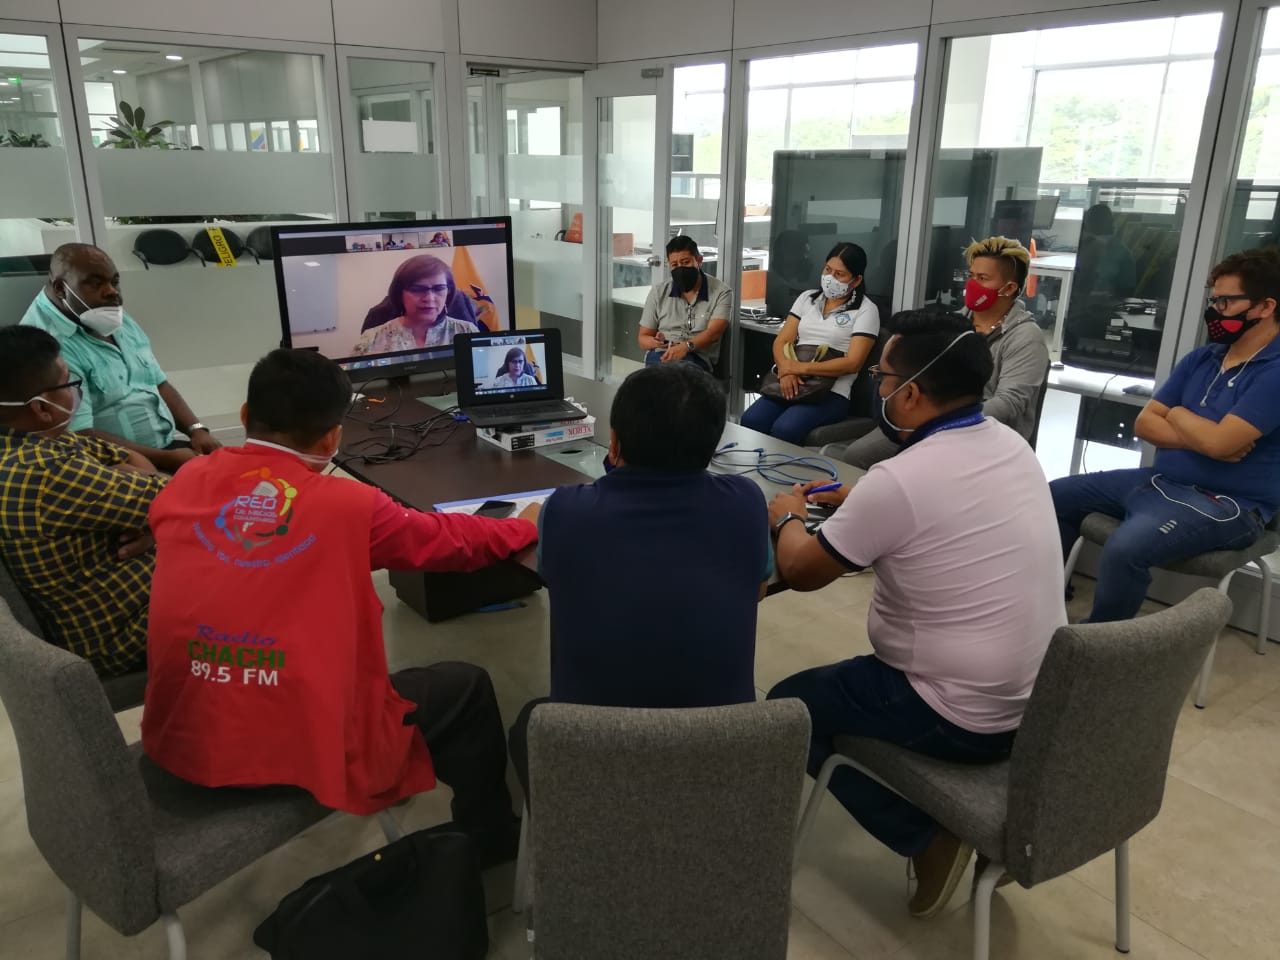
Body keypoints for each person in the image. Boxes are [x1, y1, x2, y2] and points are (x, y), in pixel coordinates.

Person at [141, 348, 539, 865]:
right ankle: (491, 838)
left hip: (182, 739)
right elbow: (450, 542)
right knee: (466, 688)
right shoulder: (348, 506)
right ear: (332, 438)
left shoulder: (184, 482)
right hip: (293, 750)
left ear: (244, 415)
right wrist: (524, 525)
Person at [765, 310, 1065, 919]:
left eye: (882, 377)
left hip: (957, 713)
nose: (878, 387)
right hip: (1039, 704)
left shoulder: (901, 478)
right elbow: (942, 505)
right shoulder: (1010, 446)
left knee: (786, 711)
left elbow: (800, 570)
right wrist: (864, 502)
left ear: (911, 392)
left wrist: (787, 517)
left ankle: (925, 836)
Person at [507, 361, 773, 794]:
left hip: (593, 762)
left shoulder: (565, 511)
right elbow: (755, 590)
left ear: (613, 442)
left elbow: (556, 575)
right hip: (721, 758)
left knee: (527, 723)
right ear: (712, 446)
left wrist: (537, 517)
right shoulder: (747, 502)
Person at [1052, 247, 1280, 623]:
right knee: (1051, 497)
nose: (1215, 311)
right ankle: (1048, 604)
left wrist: (1175, 414)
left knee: (1125, 548)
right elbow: (1146, 424)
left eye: (1225, 302)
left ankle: (1100, 646)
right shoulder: (1203, 358)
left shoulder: (1273, 372)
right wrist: (1204, 436)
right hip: (1160, 480)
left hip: (1228, 504)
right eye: (1214, 301)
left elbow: (1220, 442)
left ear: (1265, 307)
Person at [0, 326, 165, 676]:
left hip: (142, 591)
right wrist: (159, 519)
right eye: (68, 383)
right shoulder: (45, 471)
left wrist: (155, 523)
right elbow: (178, 501)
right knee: (258, 563)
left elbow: (124, 457)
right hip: (121, 637)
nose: (77, 391)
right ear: (42, 408)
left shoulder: (36, 442)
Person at [833, 235, 1049, 469]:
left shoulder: (1025, 337)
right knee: (856, 456)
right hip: (924, 421)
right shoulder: (952, 324)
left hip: (981, 437)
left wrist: (942, 418)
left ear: (1009, 288)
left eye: (982, 278)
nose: (972, 284)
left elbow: (1009, 403)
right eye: (971, 276)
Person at [20, 242, 221, 473]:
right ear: (60, 289)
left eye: (114, 282)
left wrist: (197, 430)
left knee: (234, 478)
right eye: (95, 283)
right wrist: (167, 460)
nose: (112, 292)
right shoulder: (48, 347)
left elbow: (157, 382)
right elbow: (79, 435)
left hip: (166, 451)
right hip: (111, 466)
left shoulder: (102, 312)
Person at [740, 242, 879, 445]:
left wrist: (799, 368)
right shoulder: (807, 298)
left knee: (785, 429)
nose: (830, 278)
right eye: (828, 270)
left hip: (831, 392)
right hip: (790, 380)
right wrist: (786, 371)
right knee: (751, 420)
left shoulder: (866, 310)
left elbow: (853, 363)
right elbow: (782, 341)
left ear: (856, 280)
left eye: (839, 274)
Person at [637, 236, 732, 372]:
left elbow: (713, 334)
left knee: (676, 373)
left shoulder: (721, 292)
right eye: (675, 265)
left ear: (699, 261)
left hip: (697, 356)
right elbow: (643, 338)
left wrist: (685, 347)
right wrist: (657, 343)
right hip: (662, 353)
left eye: (685, 262)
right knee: (659, 374)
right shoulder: (659, 292)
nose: (680, 269)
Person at [352, 254, 480, 354]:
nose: (429, 298)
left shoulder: (468, 332)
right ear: (399, 293)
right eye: (417, 289)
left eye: (439, 288)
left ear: (449, 291)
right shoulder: (371, 339)